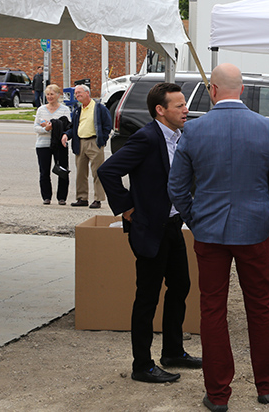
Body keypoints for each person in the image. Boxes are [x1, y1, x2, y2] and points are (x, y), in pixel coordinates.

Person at [167, 64, 269, 412]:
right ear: (240, 90)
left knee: (212, 310)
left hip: (209, 231)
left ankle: (218, 394)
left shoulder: (194, 130)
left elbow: (176, 187)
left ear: (212, 89)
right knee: (261, 307)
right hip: (254, 230)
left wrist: (195, 218)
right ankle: (267, 384)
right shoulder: (267, 129)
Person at [97, 82, 202, 384]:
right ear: (161, 110)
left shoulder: (179, 136)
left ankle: (173, 351)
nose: (186, 110)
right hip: (149, 231)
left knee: (180, 286)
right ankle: (142, 365)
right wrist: (129, 209)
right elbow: (108, 171)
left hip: (172, 225)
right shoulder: (146, 137)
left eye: (185, 104)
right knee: (147, 298)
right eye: (179, 105)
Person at [61, 84, 112, 209]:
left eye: (80, 93)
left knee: (97, 172)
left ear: (87, 93)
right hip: (80, 143)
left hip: (94, 142)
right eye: (76, 93)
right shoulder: (78, 110)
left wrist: (102, 139)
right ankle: (82, 198)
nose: (77, 95)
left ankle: (98, 199)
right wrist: (66, 135)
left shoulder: (99, 108)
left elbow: (107, 125)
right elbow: (73, 127)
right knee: (81, 173)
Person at [33, 84, 71, 205]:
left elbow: (68, 126)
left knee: (62, 170)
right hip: (43, 144)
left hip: (60, 144)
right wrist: (46, 129)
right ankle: (46, 197)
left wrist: (56, 128)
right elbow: (36, 127)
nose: (50, 97)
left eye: (52, 94)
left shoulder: (65, 109)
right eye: (48, 94)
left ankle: (62, 197)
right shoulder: (41, 109)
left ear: (58, 95)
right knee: (44, 171)